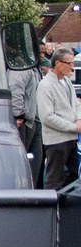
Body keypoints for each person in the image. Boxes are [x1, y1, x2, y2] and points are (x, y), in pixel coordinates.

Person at [36, 47, 81, 190]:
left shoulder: (67, 82)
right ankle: (51, 210)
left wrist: (79, 119)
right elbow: (47, 117)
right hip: (56, 140)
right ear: (57, 63)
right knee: (54, 179)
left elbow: (75, 103)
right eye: (69, 63)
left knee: (76, 175)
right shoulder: (45, 86)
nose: (72, 67)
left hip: (71, 138)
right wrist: (73, 127)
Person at [9, 63, 43, 187]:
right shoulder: (20, 67)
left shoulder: (34, 68)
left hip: (35, 120)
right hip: (25, 122)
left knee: (35, 163)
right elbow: (16, 91)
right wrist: (18, 115)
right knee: (23, 163)